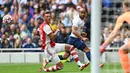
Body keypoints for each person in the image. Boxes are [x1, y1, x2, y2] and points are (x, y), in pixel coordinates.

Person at [100, 0, 130, 73]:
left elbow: (114, 33)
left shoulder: (123, 16)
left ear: (124, 6)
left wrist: (103, 46)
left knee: (122, 50)